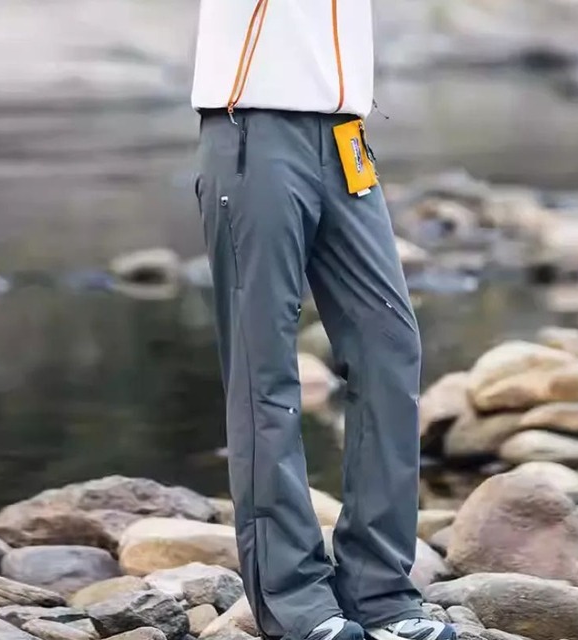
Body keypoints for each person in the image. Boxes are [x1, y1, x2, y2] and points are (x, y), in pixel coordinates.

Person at [191, 3, 456, 640]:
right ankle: (295, 603)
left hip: (344, 138)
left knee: (389, 347)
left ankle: (379, 593)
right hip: (254, 130)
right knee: (263, 369)